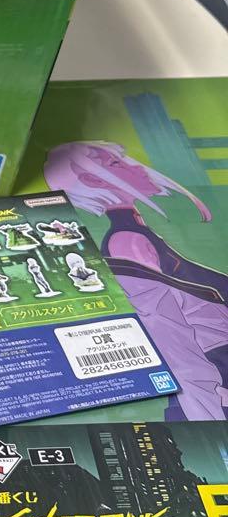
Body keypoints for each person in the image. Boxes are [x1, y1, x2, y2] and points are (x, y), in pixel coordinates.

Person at [45, 141, 228, 420]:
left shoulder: (139, 234)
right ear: (93, 179)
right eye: (116, 163)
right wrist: (209, 420)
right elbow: (169, 338)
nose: (137, 166)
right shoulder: (127, 242)